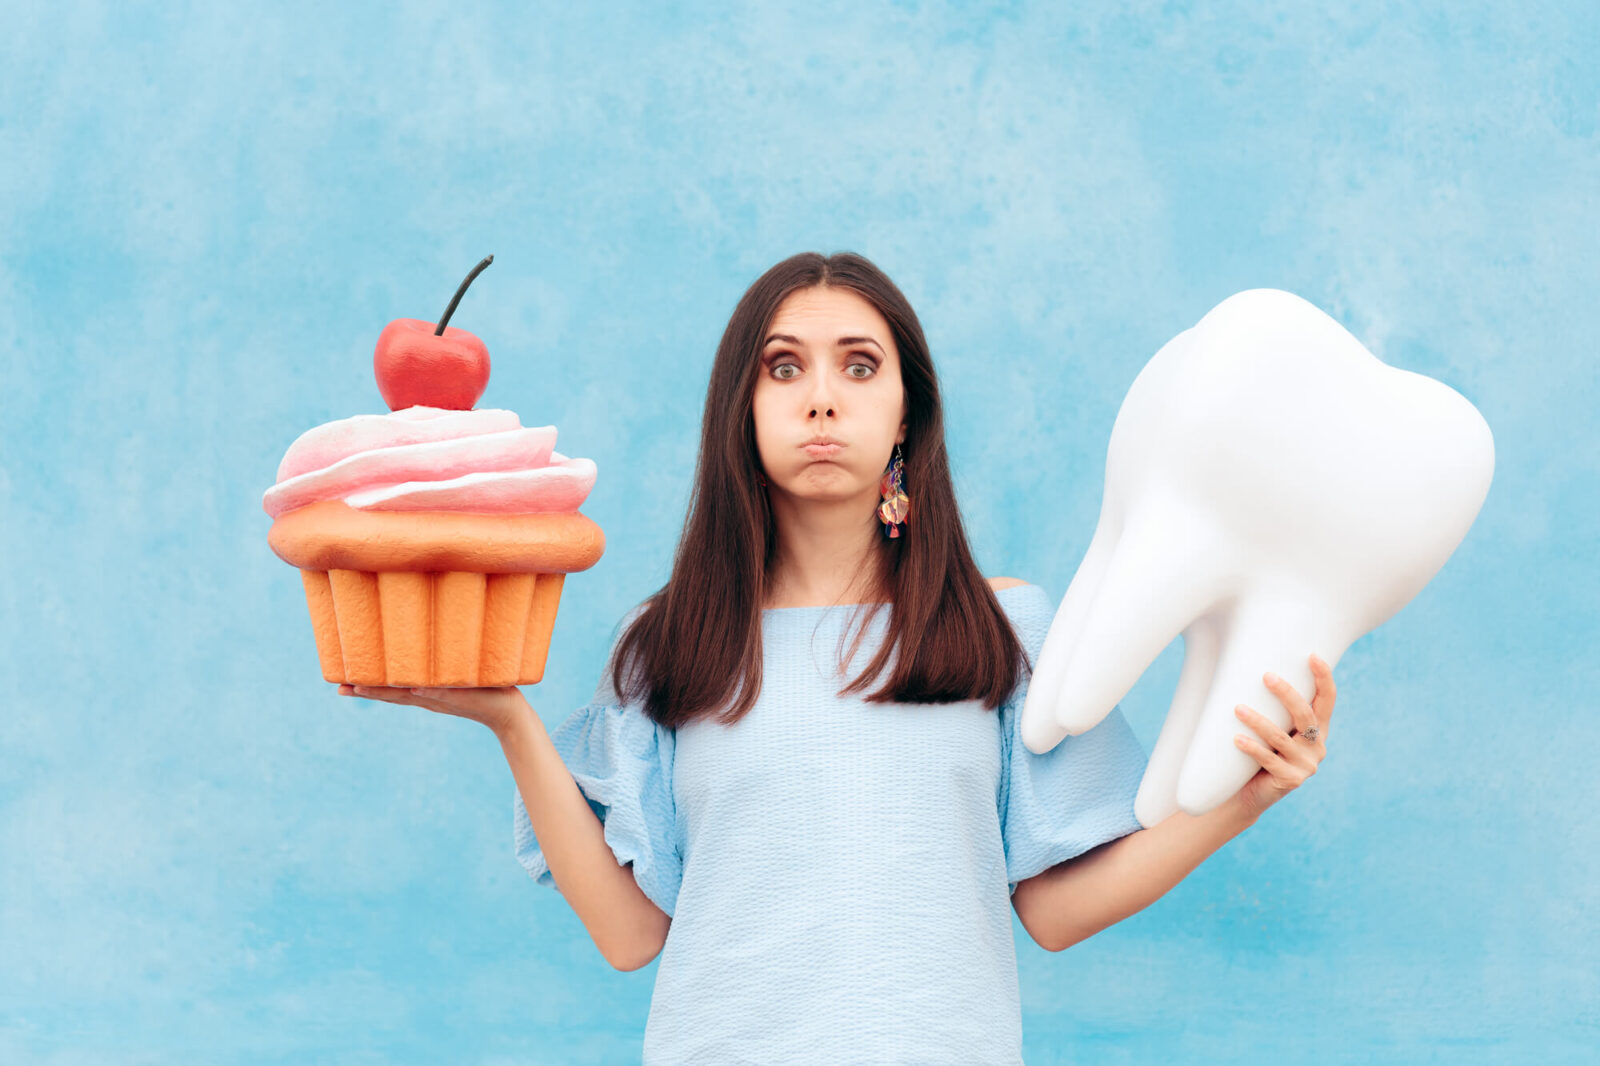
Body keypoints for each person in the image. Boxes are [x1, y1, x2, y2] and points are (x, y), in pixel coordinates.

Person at [341, 251, 1337, 1064]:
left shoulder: (999, 629)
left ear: (906, 412)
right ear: (745, 409)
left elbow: (1053, 909)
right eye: (785, 367)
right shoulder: (670, 642)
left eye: (859, 365)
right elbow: (630, 933)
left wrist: (1242, 797)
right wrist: (511, 719)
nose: (822, 398)